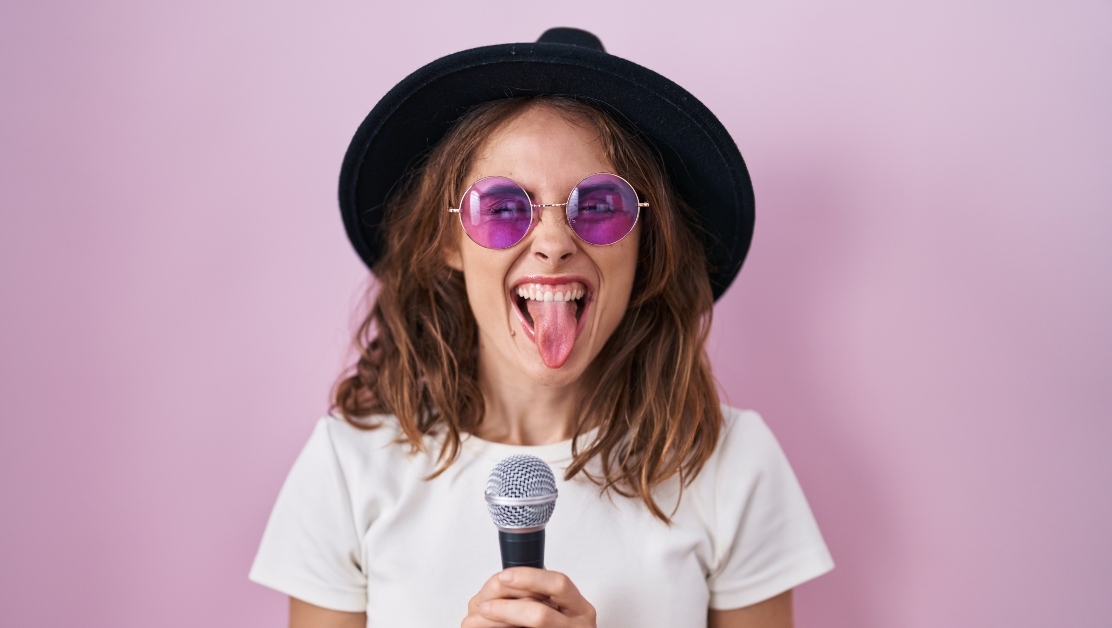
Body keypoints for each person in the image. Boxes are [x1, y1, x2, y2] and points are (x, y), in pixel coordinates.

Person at [250, 28, 833, 628]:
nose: (553, 243)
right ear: (448, 238)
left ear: (643, 244)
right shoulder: (348, 470)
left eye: (601, 205)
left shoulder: (727, 464)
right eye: (503, 207)